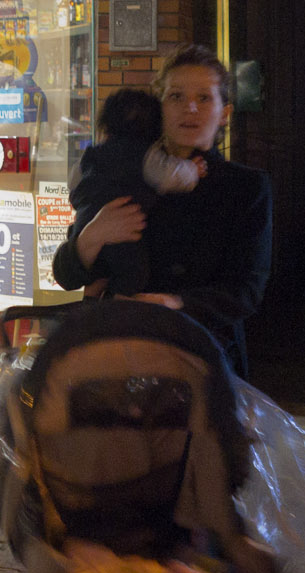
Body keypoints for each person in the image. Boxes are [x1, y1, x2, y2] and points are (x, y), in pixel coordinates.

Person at [52, 45, 272, 375]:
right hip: (118, 357)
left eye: (204, 98)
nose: (190, 108)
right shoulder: (123, 176)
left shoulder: (246, 188)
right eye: (176, 97)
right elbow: (67, 276)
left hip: (204, 360)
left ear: (224, 113)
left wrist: (175, 304)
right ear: (160, 108)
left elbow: (245, 290)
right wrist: (91, 236)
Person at [68, 87, 207, 298]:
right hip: (124, 235)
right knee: (134, 272)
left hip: (84, 223)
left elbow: (73, 182)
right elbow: (170, 175)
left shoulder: (92, 154)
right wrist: (193, 170)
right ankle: (119, 298)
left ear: (105, 125)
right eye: (176, 96)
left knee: (95, 273)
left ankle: (95, 292)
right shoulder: (146, 155)